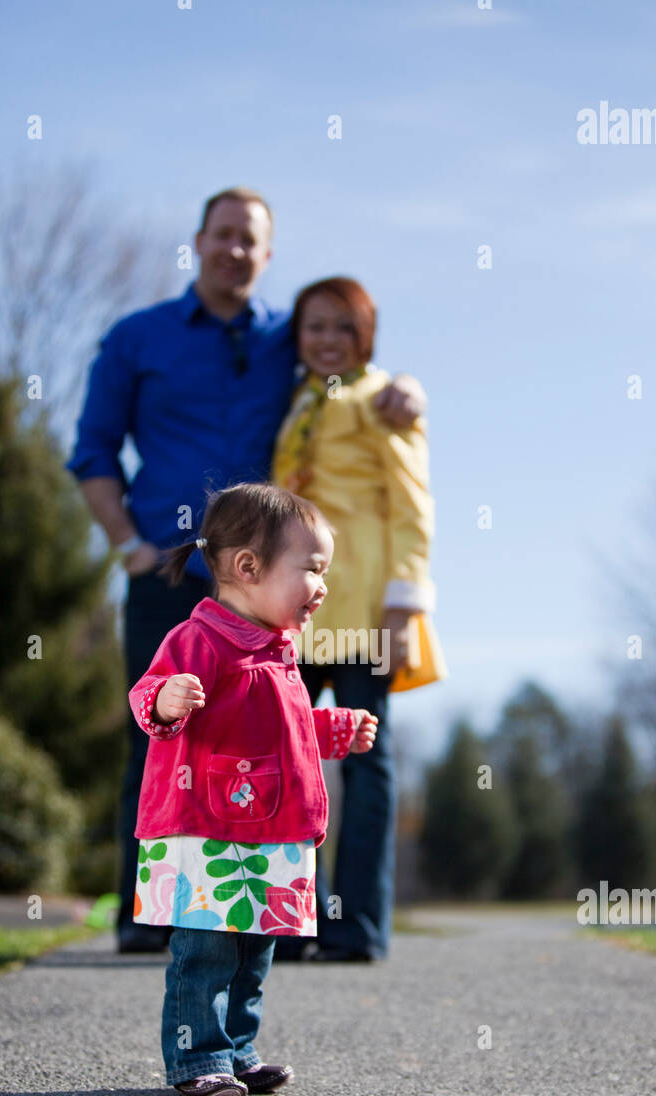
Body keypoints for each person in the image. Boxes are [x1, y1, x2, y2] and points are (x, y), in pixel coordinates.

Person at [66, 186, 426, 953]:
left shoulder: (285, 339)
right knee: (160, 730)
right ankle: (150, 913)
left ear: (266, 256)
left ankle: (261, 912)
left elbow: (349, 380)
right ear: (198, 240)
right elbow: (93, 452)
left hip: (264, 588)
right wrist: (127, 543)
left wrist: (408, 389)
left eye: (250, 241)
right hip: (168, 572)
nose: (235, 250)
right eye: (222, 235)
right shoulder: (138, 338)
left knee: (267, 740)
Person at [128, 483, 377, 1096]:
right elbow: (146, 698)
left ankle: (237, 1050)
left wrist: (334, 729)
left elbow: (282, 732)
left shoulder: (280, 653)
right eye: (311, 570)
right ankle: (196, 1058)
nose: (321, 586)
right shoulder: (199, 641)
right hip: (206, 827)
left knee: (253, 954)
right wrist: (165, 698)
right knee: (208, 948)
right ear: (248, 568)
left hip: (267, 829)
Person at [271, 277, 447, 963]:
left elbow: (412, 505)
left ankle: (359, 925)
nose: (326, 340)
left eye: (342, 328)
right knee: (286, 752)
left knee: (365, 759)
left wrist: (405, 605)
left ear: (365, 336)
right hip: (298, 609)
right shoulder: (299, 403)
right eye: (314, 326)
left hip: (365, 606)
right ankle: (291, 917)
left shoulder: (384, 402)